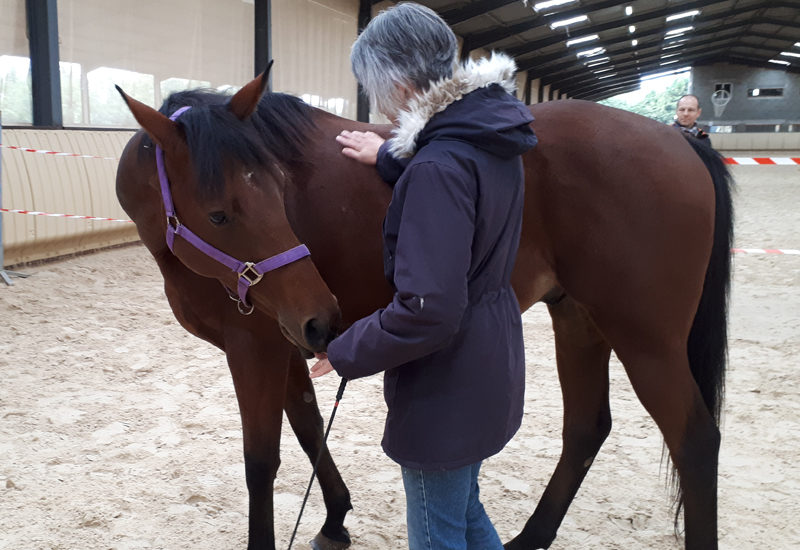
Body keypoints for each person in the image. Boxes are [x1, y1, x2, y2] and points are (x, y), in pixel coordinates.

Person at [308, 3, 537, 549]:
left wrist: (345, 351)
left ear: (404, 85)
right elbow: (463, 190)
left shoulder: (438, 167)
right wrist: (394, 159)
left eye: (377, 89)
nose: (379, 104)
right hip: (490, 359)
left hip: (447, 383)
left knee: (438, 533)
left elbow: (427, 309)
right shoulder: (489, 138)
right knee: (464, 510)